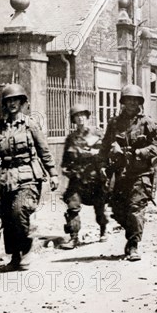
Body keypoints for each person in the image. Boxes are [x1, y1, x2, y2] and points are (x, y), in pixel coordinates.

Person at [0, 84, 59, 270]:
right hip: (7, 178)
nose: (12, 104)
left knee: (19, 211)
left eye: (15, 100)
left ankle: (26, 248)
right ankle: (15, 257)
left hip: (28, 176)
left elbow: (44, 151)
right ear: (4, 104)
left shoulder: (30, 125)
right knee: (7, 218)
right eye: (8, 100)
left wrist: (53, 174)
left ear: (22, 102)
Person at [100, 84, 157, 261]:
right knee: (119, 210)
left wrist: (139, 152)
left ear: (140, 102)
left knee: (136, 207)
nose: (132, 103)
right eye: (128, 100)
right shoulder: (114, 123)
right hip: (120, 174)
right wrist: (103, 165)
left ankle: (133, 244)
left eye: (135, 100)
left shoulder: (146, 122)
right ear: (123, 102)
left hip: (140, 173)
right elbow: (105, 146)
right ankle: (131, 233)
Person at [60, 104, 108, 249]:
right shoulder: (71, 138)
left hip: (95, 178)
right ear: (73, 119)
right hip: (77, 178)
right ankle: (74, 238)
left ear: (87, 117)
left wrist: (95, 154)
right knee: (72, 207)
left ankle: (103, 230)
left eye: (82, 115)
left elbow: (107, 154)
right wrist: (65, 170)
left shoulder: (98, 134)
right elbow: (65, 161)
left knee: (100, 207)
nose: (80, 118)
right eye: (76, 116)